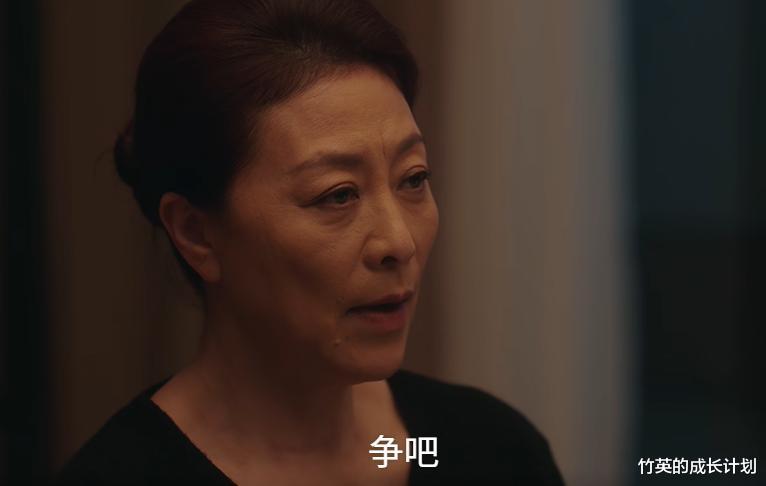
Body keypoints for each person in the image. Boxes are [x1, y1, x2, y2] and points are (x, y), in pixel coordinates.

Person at [55, 0, 565, 484]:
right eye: (337, 195)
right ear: (196, 233)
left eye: (413, 179)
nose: (399, 241)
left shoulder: (487, 449)